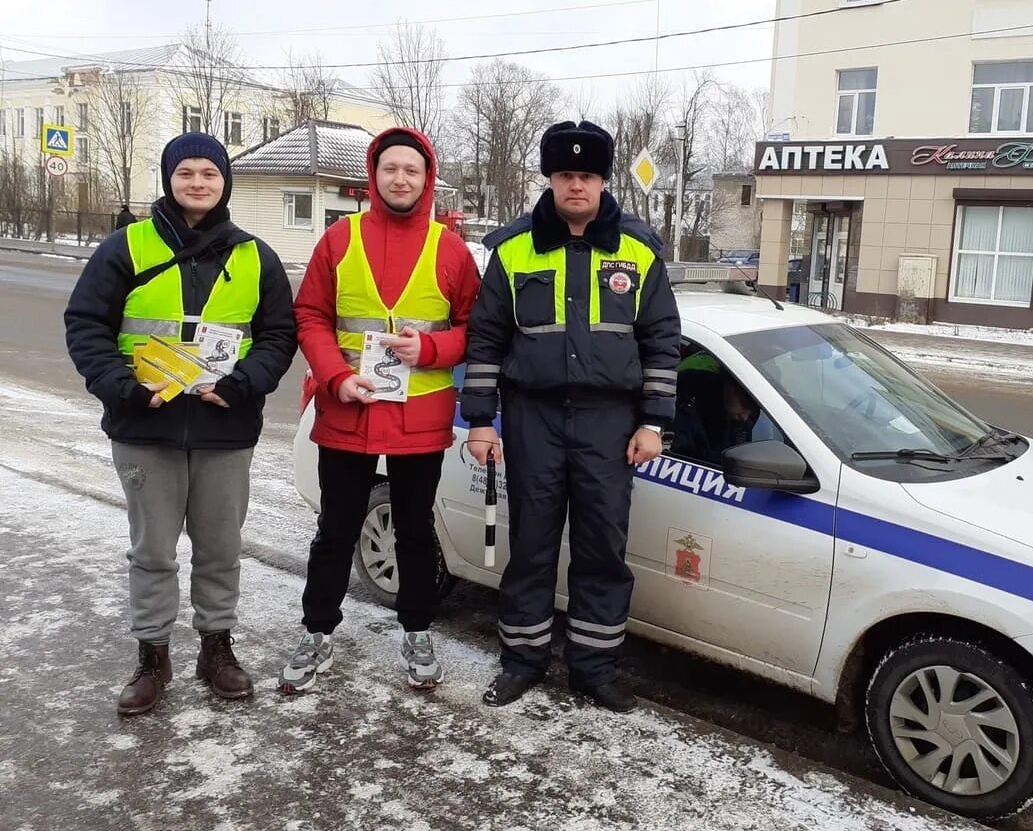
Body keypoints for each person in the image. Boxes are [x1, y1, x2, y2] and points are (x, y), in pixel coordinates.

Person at [64, 133, 297, 716]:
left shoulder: (254, 256)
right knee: (153, 552)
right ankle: (152, 656)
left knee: (220, 549)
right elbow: (86, 324)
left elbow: (278, 335)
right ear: (169, 178)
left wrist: (244, 385)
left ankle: (216, 648)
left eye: (210, 173)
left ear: (225, 182)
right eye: (186, 172)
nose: (198, 183)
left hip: (224, 430)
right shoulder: (127, 247)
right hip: (147, 429)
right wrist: (123, 390)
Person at [461, 120, 681, 714]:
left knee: (601, 551)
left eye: (587, 175)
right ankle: (523, 660)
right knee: (530, 545)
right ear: (550, 179)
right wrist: (482, 421)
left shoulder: (638, 250)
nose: (576, 185)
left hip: (611, 426)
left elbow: (663, 342)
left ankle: (594, 667)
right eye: (565, 175)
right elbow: (485, 342)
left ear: (604, 180)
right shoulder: (512, 250)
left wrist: (653, 422)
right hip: (533, 419)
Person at [279, 127, 480, 694]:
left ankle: (416, 632)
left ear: (427, 178)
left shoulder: (451, 248)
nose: (401, 179)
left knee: (415, 532)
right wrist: (336, 378)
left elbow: (476, 327)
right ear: (374, 174)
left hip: (420, 417)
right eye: (390, 168)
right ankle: (316, 632)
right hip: (349, 412)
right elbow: (310, 315)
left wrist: (432, 349)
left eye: (412, 170)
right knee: (335, 530)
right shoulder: (339, 240)